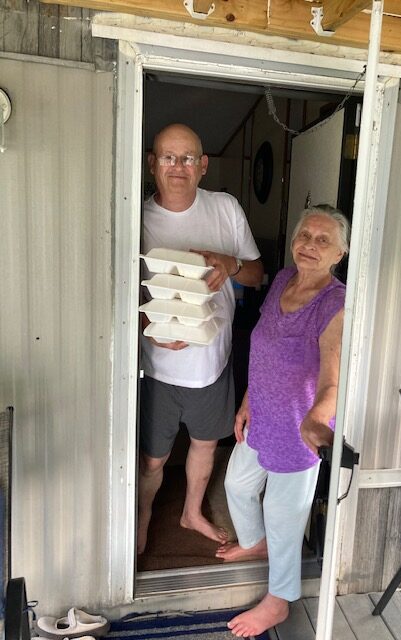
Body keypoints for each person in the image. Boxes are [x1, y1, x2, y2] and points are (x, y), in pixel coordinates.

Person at [216, 206, 350, 637]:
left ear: (340, 253)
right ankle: (256, 545)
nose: (309, 244)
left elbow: (333, 381)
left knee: (283, 515)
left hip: (296, 427)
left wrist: (316, 421)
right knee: (237, 484)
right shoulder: (281, 281)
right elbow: (264, 347)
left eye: (322, 240)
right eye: (304, 235)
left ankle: (278, 602)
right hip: (263, 415)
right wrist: (247, 402)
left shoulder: (337, 303)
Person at [138, 123, 263, 555]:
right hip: (157, 366)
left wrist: (230, 264)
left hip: (212, 361)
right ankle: (142, 516)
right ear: (152, 163)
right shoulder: (136, 217)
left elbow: (257, 273)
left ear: (203, 165)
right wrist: (146, 330)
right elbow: (123, 292)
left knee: (205, 444)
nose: (178, 166)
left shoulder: (225, 209)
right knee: (152, 458)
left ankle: (191, 512)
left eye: (188, 158)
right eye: (168, 157)